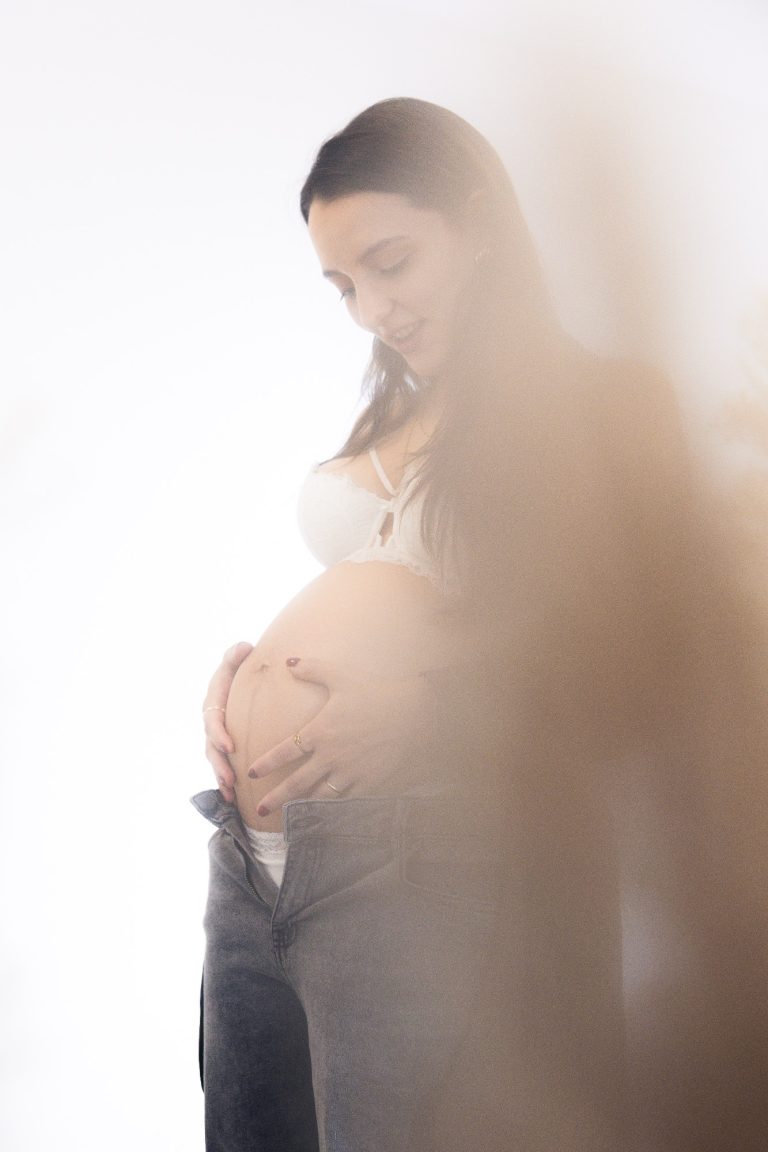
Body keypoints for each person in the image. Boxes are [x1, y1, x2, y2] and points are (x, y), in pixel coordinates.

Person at [197, 98, 768, 1152]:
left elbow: (639, 664)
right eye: (345, 287)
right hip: (255, 867)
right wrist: (247, 680)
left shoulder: (601, 402)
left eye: (393, 262)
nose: (373, 308)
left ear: (480, 217)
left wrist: (430, 708)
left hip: (423, 861)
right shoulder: (391, 419)